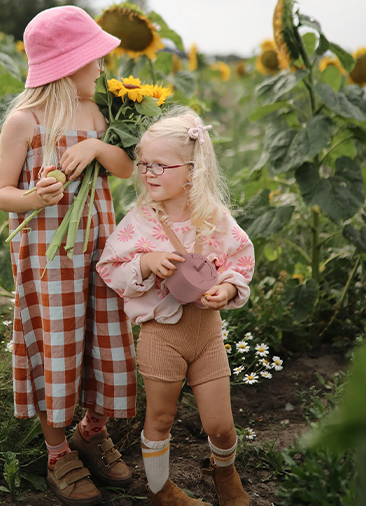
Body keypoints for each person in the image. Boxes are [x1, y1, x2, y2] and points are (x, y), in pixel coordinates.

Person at [0, 5, 137, 506]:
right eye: (94, 58)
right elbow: (1, 193)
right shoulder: (25, 121)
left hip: (98, 252)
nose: (101, 68)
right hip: (49, 262)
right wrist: (36, 198)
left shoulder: (97, 115)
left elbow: (124, 169)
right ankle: (57, 452)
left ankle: (91, 433)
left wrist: (98, 145)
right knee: (57, 346)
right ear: (67, 64)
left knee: (105, 340)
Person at [96, 107, 255, 506]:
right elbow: (109, 267)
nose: (148, 173)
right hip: (161, 336)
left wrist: (229, 288)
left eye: (159, 166)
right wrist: (145, 264)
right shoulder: (139, 223)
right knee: (161, 418)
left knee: (219, 425)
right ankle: (159, 489)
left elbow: (241, 258)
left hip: (206, 334)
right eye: (143, 164)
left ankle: (224, 472)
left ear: (192, 170)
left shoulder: (214, 219)